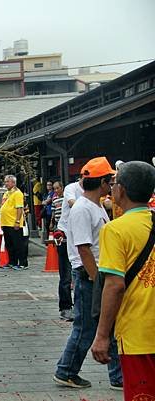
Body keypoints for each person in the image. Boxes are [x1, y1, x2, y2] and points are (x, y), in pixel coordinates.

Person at [53, 157, 122, 390]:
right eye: (110, 180)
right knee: (85, 327)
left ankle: (118, 376)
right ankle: (66, 371)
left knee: (108, 325)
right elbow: (83, 248)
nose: (112, 185)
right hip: (88, 275)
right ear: (102, 182)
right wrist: (96, 279)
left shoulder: (96, 205)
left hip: (96, 273)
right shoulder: (83, 209)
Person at [91, 161, 155, 400]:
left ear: (122, 190)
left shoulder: (116, 230)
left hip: (139, 334)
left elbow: (115, 285)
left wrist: (101, 335)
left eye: (115, 183)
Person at [50, 181, 73, 321]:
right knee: (66, 276)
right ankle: (65, 308)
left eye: (58, 188)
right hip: (64, 237)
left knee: (74, 277)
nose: (56, 190)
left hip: (77, 240)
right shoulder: (70, 198)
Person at [0, 175, 25, 270]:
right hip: (6, 223)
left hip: (13, 222)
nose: (5, 183)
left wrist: (17, 221)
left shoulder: (17, 193)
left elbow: (19, 208)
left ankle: (22, 263)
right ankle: (12, 262)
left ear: (13, 183)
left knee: (18, 244)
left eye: (7, 182)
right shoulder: (6, 193)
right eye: (5, 181)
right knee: (9, 245)